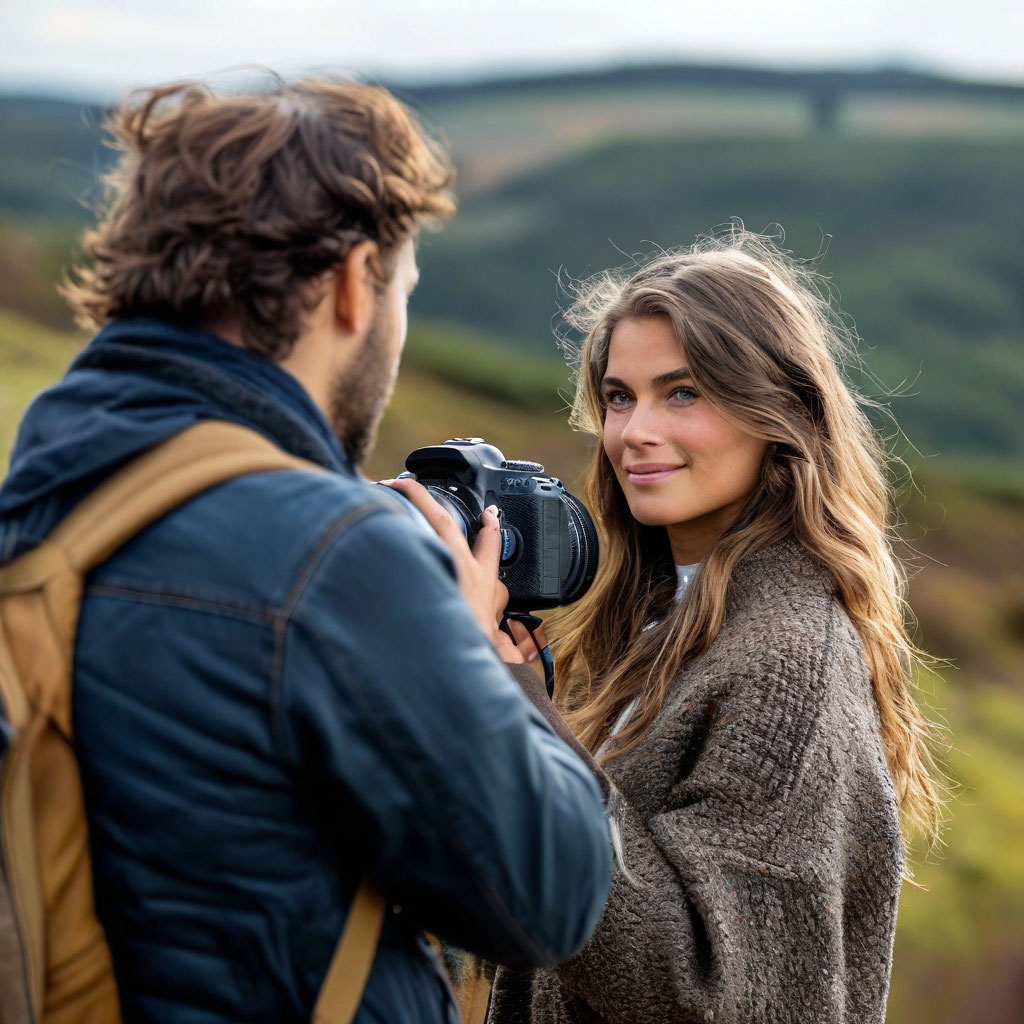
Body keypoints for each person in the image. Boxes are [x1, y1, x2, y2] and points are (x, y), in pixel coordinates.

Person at [0, 80, 612, 1023]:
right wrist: (484, 660)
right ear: (354, 281)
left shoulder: (39, 501)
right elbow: (555, 892)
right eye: (403, 291)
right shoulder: (329, 558)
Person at [480, 229, 945, 1024]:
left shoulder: (786, 663)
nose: (634, 432)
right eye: (619, 397)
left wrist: (509, 712)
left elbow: (704, 987)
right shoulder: (651, 623)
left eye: (683, 393)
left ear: (778, 411)